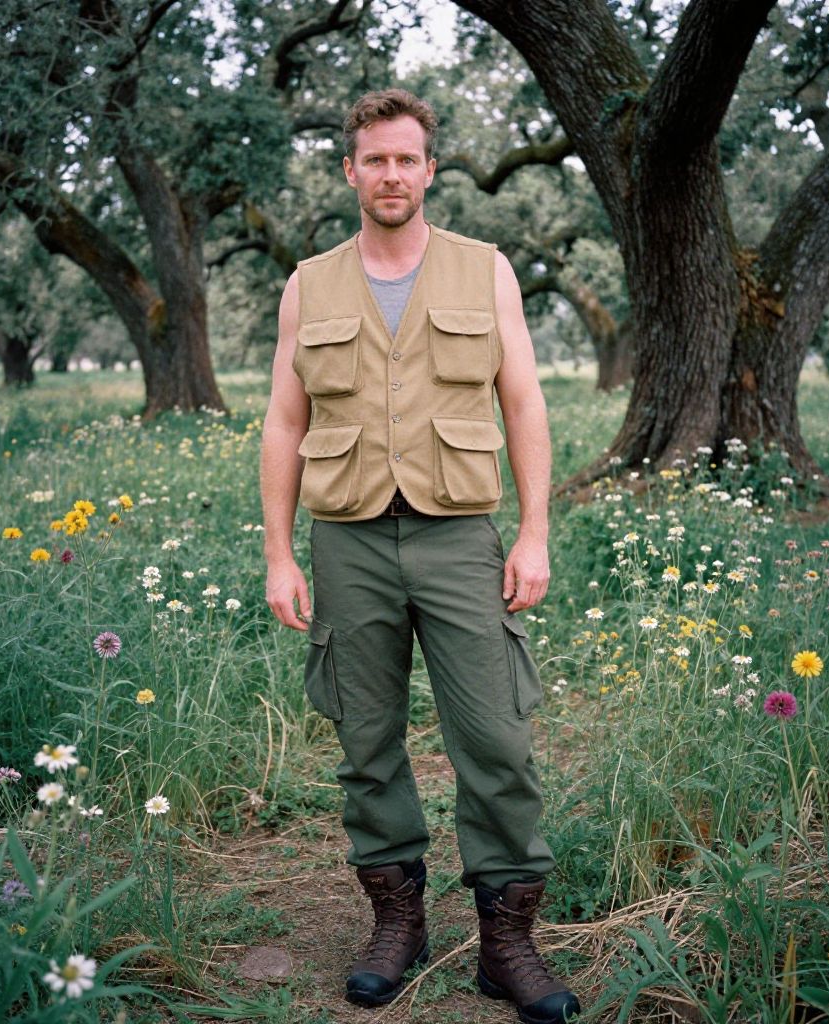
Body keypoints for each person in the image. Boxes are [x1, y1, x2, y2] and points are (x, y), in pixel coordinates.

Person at [260, 88, 580, 1024]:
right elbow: (285, 420)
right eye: (376, 160)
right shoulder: (307, 284)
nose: (392, 174)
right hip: (348, 538)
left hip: (457, 536)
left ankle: (507, 942)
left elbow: (524, 404)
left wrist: (533, 532)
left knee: (495, 737)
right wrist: (281, 555)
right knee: (367, 741)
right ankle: (397, 923)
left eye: (408, 159)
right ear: (350, 171)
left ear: (429, 169)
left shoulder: (485, 272)